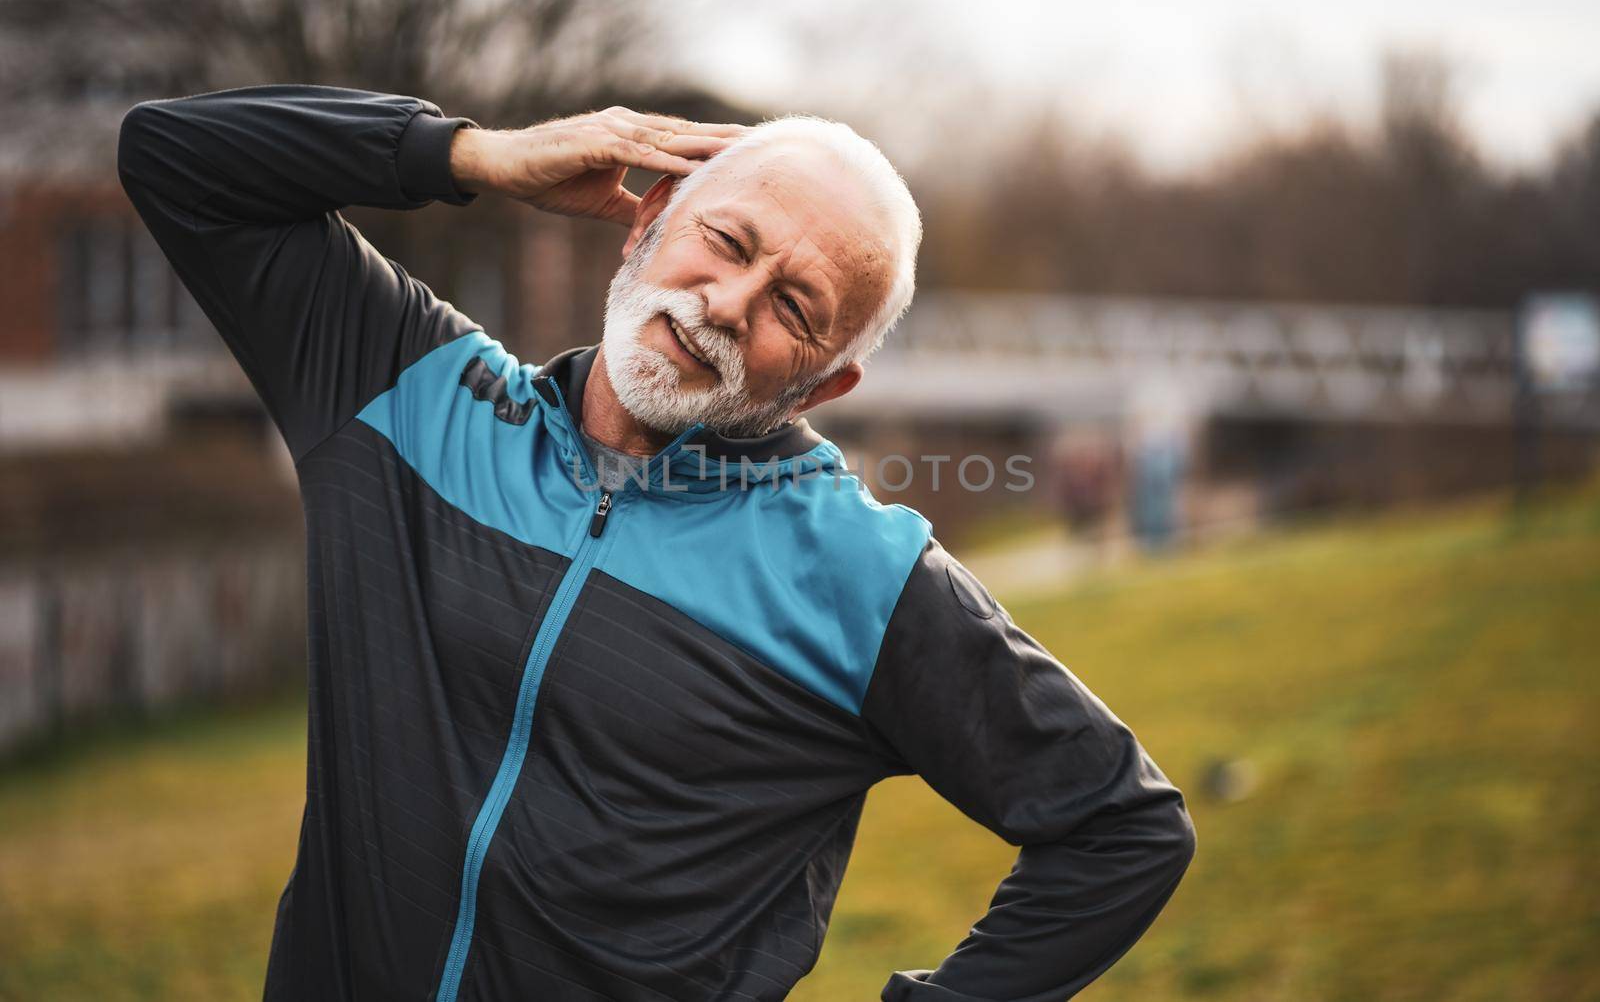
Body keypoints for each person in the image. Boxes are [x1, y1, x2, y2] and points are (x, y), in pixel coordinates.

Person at [118, 84, 1195, 1002]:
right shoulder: (407, 389)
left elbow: (1120, 829)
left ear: (827, 382)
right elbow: (171, 154)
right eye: (725, 241)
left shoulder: (861, 578)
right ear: (648, 222)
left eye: (794, 306)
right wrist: (476, 153)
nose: (725, 301)